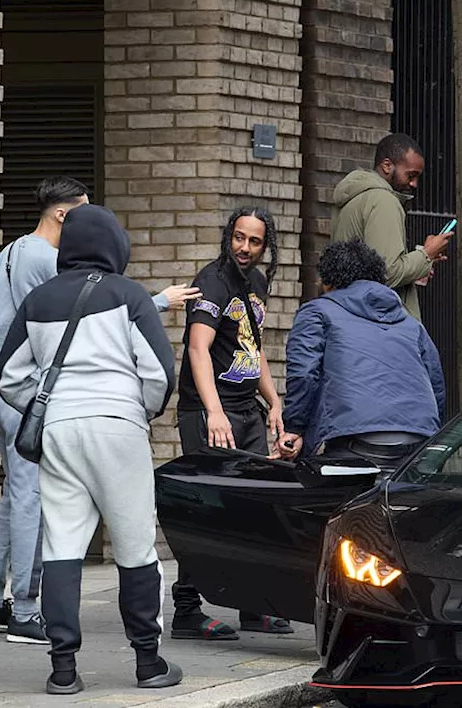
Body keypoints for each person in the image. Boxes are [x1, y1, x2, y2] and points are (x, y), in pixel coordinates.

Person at [0, 177, 197, 643]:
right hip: (69, 404)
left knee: (23, 503)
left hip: (18, 397)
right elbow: (99, 315)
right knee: (131, 543)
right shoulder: (57, 267)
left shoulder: (9, 253)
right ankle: (33, 612)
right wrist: (141, 410)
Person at [171, 206, 292, 640]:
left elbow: (251, 350)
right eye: (239, 238)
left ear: (266, 245)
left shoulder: (257, 283)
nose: (244, 248)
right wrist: (214, 411)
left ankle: (250, 605)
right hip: (209, 412)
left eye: (254, 241)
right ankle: (186, 609)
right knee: (207, 509)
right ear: (229, 237)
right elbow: (198, 349)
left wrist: (274, 402)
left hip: (248, 409)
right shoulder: (212, 281)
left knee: (251, 508)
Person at [275, 238, 445, 472]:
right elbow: (436, 384)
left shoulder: (316, 312)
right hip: (420, 442)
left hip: (356, 441)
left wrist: (295, 428)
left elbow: (304, 374)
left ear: (328, 281)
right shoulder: (410, 323)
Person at [329, 133, 453, 321]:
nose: (414, 184)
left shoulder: (353, 198)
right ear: (387, 166)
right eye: (410, 175)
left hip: (351, 315)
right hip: (380, 324)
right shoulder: (383, 200)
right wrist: (427, 254)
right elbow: (388, 273)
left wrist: (422, 262)